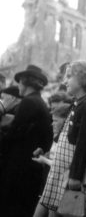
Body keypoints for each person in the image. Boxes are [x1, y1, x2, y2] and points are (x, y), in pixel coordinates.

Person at [37, 61, 86, 217]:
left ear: (84, 79)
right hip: (64, 169)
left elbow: (85, 141)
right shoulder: (77, 103)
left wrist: (76, 175)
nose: (64, 81)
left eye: (69, 76)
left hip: (78, 170)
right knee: (55, 210)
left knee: (72, 212)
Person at [0, 65, 53, 217]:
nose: (18, 86)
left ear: (26, 83)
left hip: (18, 168)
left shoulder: (29, 102)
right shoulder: (39, 102)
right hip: (29, 166)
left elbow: (14, 134)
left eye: (20, 83)